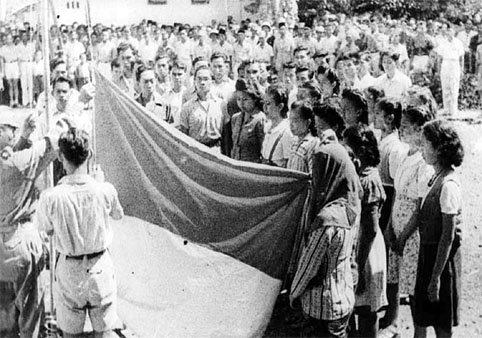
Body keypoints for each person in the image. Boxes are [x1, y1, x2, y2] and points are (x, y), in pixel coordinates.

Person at [36, 128, 124, 338]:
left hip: (69, 269)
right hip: (99, 267)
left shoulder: (50, 197)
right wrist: (99, 181)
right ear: (90, 154)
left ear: (60, 156)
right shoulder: (105, 190)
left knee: (70, 334)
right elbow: (118, 215)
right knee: (103, 332)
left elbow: (47, 230)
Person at [290, 141, 361, 338]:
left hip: (322, 304)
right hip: (343, 296)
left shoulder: (326, 220)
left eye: (318, 169)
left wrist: (294, 294)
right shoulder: (351, 203)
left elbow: (309, 266)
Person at [0, 111, 62, 337]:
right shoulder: (18, 162)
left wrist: (23, 137)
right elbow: (49, 145)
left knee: (5, 321)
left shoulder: (11, 159)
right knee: (32, 317)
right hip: (20, 242)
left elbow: (10, 158)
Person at [380, 106, 434, 338]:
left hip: (412, 232)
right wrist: (391, 227)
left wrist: (403, 235)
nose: (401, 131)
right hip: (397, 223)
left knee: (413, 288)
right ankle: (393, 322)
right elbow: (397, 193)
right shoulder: (405, 155)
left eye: (405, 127)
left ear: (419, 129)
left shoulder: (425, 161)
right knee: (393, 278)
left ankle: (418, 333)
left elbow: (420, 207)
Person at [413, 120, 464, 338]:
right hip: (428, 257)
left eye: (425, 145)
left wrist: (436, 278)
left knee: (442, 325)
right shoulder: (433, 177)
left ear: (440, 149)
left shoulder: (448, 186)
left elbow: (447, 237)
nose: (421, 149)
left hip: (442, 264)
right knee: (422, 316)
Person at [343, 125, 387, 338]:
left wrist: (358, 267)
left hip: (366, 253)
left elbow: (370, 229)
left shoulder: (368, 181)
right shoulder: (361, 174)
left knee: (367, 310)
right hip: (357, 246)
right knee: (353, 307)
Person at [373, 98, 408, 236]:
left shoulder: (395, 148)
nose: (374, 116)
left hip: (386, 204)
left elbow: (395, 188)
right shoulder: (379, 141)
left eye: (377, 113)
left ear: (389, 118)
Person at [179, 65, 228, 153]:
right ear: (194, 82)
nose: (202, 82)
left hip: (216, 150)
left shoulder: (221, 104)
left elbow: (226, 134)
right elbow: (183, 135)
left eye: (206, 79)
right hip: (195, 151)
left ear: (212, 81)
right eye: (199, 79)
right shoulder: (187, 107)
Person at [230, 78, 266, 163]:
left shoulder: (260, 119)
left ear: (255, 99)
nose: (241, 104)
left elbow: (263, 150)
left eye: (245, 99)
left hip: (252, 167)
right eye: (238, 99)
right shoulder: (236, 118)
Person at [435, 25, 464, 117]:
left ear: (454, 32)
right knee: (445, 87)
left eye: (451, 31)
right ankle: (446, 109)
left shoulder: (458, 42)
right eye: (448, 31)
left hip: (454, 64)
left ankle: (454, 110)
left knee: (454, 87)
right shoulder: (443, 43)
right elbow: (439, 57)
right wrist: (438, 70)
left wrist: (462, 69)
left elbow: (461, 57)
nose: (449, 33)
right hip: (445, 63)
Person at [261, 85, 293, 167]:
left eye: (268, 104)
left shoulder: (286, 132)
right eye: (263, 103)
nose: (264, 107)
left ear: (280, 107)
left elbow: (289, 164)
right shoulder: (267, 126)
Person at [287, 101, 320, 173]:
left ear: (307, 122)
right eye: (290, 120)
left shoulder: (313, 144)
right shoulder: (294, 142)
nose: (291, 124)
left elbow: (313, 174)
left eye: (295, 120)